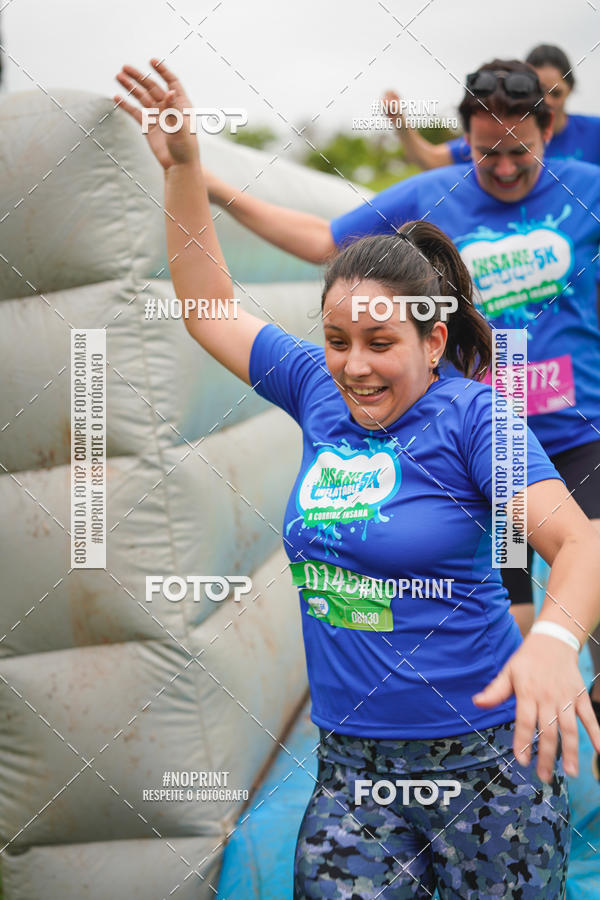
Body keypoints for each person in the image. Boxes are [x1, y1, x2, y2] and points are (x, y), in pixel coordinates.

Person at [115, 60, 600, 897]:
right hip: (352, 775)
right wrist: (189, 168)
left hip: (484, 764)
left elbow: (577, 540)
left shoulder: (473, 419)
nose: (356, 366)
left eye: (380, 345)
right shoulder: (314, 389)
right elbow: (206, 306)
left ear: (434, 343)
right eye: (339, 340)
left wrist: (554, 644)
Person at [385, 45, 600, 170]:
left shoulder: (594, 131)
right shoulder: (498, 136)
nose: (547, 101)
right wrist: (400, 122)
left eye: (556, 93)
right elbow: (429, 158)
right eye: (491, 154)